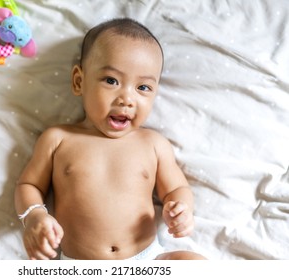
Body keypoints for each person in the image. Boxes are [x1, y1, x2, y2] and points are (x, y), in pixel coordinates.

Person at [15, 18, 206, 260]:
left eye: (143, 88)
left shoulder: (153, 143)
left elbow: (177, 188)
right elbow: (28, 185)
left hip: (147, 259)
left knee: (194, 263)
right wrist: (35, 215)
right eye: (111, 81)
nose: (127, 98)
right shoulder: (58, 139)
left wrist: (181, 209)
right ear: (79, 81)